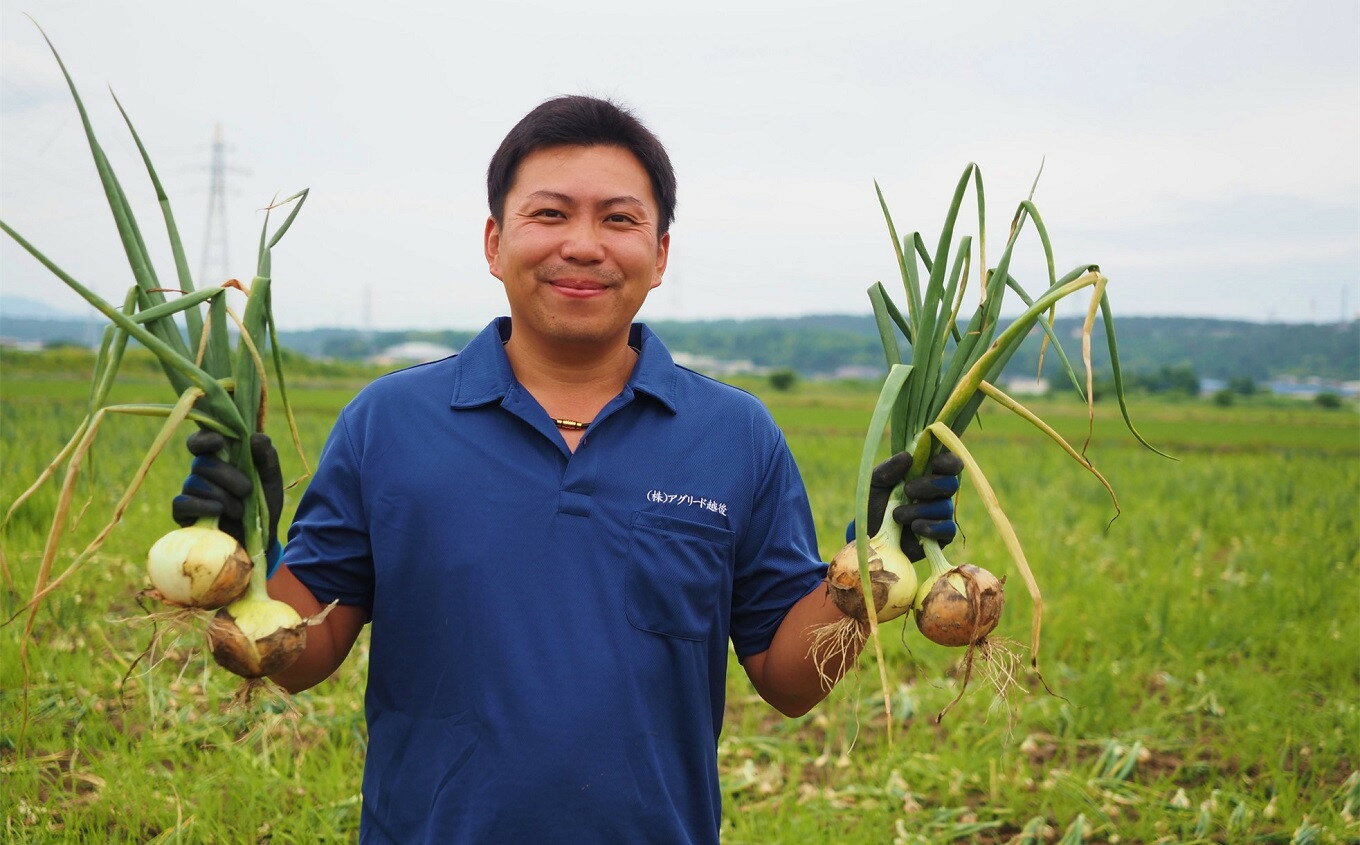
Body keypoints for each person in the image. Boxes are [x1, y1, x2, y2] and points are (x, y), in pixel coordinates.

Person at [174, 96, 959, 844]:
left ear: (659, 255)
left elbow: (789, 681)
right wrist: (248, 550)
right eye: (549, 214)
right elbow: (304, 657)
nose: (583, 244)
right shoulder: (389, 423)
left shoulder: (736, 435)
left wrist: (873, 565)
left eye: (619, 219)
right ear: (493, 242)